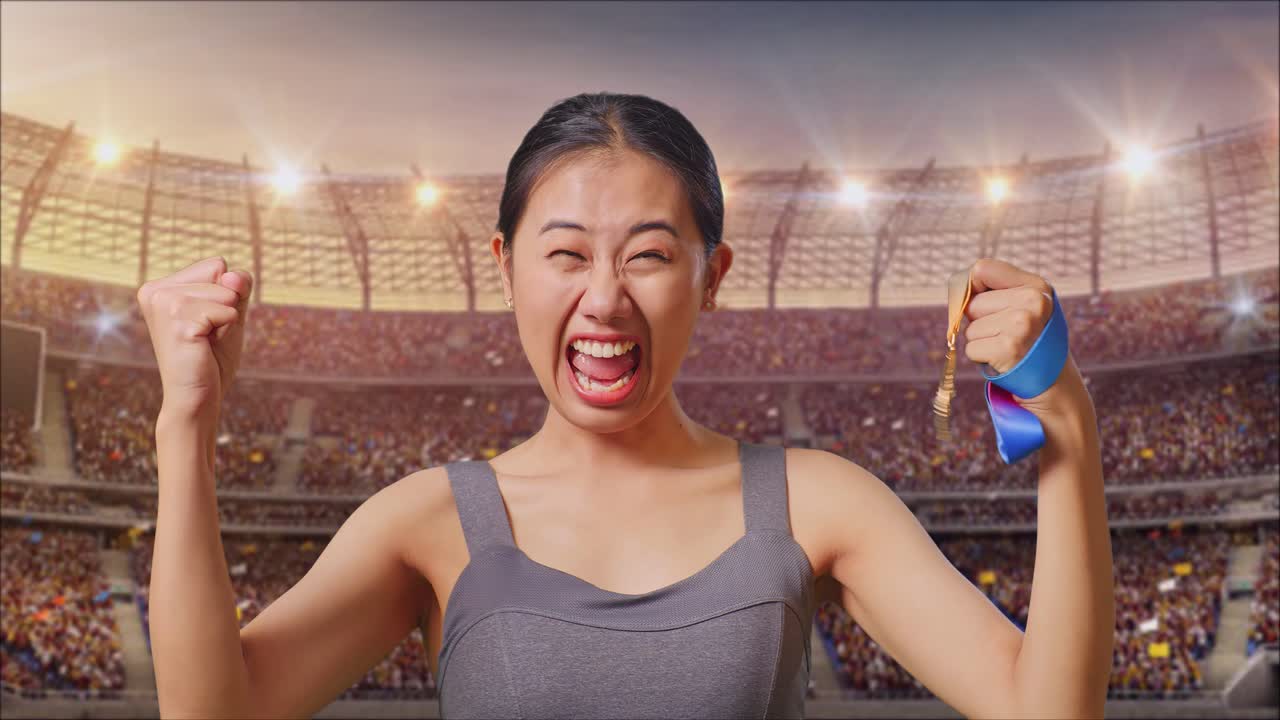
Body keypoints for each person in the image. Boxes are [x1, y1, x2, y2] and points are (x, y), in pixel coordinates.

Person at [139, 91, 1114, 719]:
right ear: (504, 267)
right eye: (564, 253)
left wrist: (1061, 419)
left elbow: (1049, 710)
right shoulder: (427, 520)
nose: (602, 297)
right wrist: (185, 426)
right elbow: (211, 713)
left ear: (713, 275)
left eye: (647, 254)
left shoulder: (817, 503)